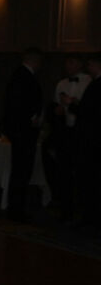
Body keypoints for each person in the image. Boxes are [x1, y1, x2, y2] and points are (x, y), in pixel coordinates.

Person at [43, 54, 90, 220]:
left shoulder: (88, 82)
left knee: (83, 173)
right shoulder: (61, 84)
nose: (69, 66)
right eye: (67, 63)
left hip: (84, 135)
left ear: (80, 64)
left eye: (73, 62)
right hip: (65, 134)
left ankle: (84, 210)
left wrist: (74, 104)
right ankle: (65, 208)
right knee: (63, 171)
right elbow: (55, 109)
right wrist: (57, 111)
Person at [2, 47, 43, 222]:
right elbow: (20, 105)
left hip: (19, 132)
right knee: (21, 172)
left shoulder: (18, 75)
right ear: (34, 60)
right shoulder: (24, 77)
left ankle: (15, 208)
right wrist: (32, 118)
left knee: (19, 171)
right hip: (23, 133)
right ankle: (16, 210)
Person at [75, 52, 101, 230]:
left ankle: (90, 221)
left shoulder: (98, 85)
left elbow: (90, 114)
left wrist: (72, 105)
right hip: (93, 141)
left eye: (90, 64)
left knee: (92, 181)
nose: (88, 68)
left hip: (94, 143)